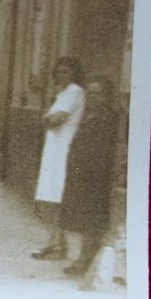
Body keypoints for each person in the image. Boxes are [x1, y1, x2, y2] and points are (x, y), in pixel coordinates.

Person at [59, 80, 118, 277]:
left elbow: (103, 150)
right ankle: (84, 258)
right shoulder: (88, 115)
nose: (93, 97)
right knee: (84, 219)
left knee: (92, 220)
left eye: (98, 93)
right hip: (81, 175)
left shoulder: (108, 118)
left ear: (108, 96)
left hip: (95, 176)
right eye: (90, 93)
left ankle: (86, 260)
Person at [31, 56, 87, 260]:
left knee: (55, 197)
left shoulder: (74, 91)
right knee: (50, 198)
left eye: (67, 71)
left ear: (75, 73)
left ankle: (56, 245)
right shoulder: (63, 93)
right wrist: (47, 118)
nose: (62, 75)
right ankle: (57, 243)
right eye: (59, 71)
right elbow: (49, 119)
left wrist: (47, 118)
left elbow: (54, 120)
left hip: (63, 150)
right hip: (54, 150)